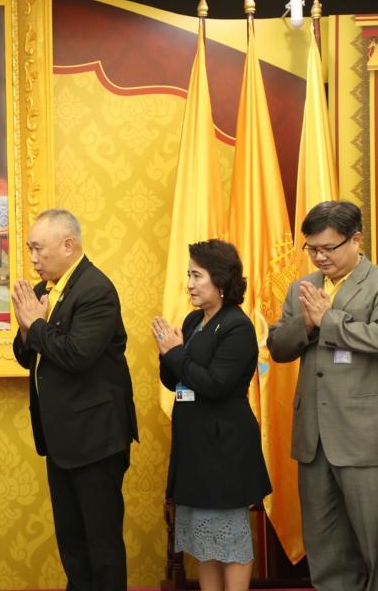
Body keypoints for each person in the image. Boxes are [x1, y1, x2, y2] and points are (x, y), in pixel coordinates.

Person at [11, 208, 138, 590]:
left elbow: (77, 355)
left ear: (68, 245)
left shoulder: (96, 290)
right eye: (30, 249)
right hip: (61, 438)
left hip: (95, 438)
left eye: (39, 249)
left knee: (101, 543)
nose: (33, 258)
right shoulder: (42, 292)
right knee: (72, 541)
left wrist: (35, 325)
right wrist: (27, 329)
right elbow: (27, 355)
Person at [267, 201, 378, 591]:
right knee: (325, 546)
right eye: (312, 249)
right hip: (314, 439)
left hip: (365, 438)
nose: (319, 257)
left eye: (328, 248)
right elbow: (278, 347)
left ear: (356, 240)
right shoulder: (302, 288)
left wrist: (330, 321)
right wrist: (305, 323)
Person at [152, 239, 272, 591]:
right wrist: (167, 353)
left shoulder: (237, 326)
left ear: (219, 279)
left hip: (224, 446)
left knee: (229, 539)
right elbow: (175, 380)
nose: (189, 284)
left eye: (196, 275)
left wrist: (176, 354)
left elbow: (216, 385)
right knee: (204, 542)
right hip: (195, 445)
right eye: (188, 275)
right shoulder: (193, 320)